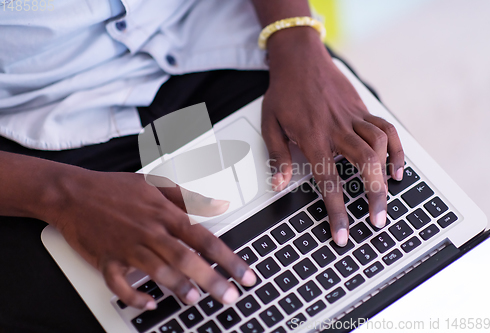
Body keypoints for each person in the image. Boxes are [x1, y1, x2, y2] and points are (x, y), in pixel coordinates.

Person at [0, 0, 404, 331]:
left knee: (380, 194)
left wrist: (295, 36)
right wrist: (58, 194)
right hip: (29, 131)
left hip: (219, 36)